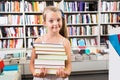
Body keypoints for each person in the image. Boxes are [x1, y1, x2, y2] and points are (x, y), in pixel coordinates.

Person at [29, 6, 72, 80]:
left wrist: (65, 73)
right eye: (51, 21)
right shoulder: (38, 41)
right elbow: (32, 63)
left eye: (58, 20)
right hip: (41, 78)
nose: (55, 23)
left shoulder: (65, 42)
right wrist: (35, 73)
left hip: (59, 78)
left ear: (62, 20)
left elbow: (68, 64)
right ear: (44, 23)